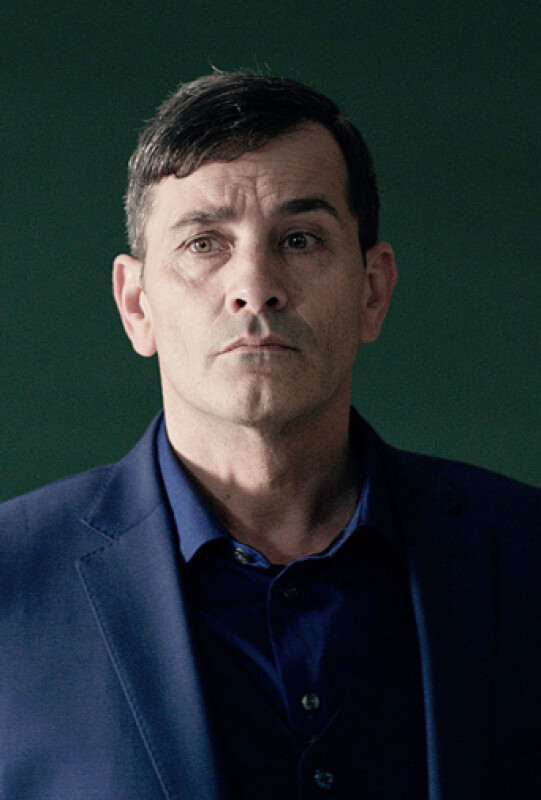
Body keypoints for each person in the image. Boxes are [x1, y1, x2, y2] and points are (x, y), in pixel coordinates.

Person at [0, 71, 539, 800]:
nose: (255, 285)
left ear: (372, 290)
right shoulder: (11, 581)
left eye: (300, 239)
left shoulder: (526, 553)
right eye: (203, 243)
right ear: (136, 305)